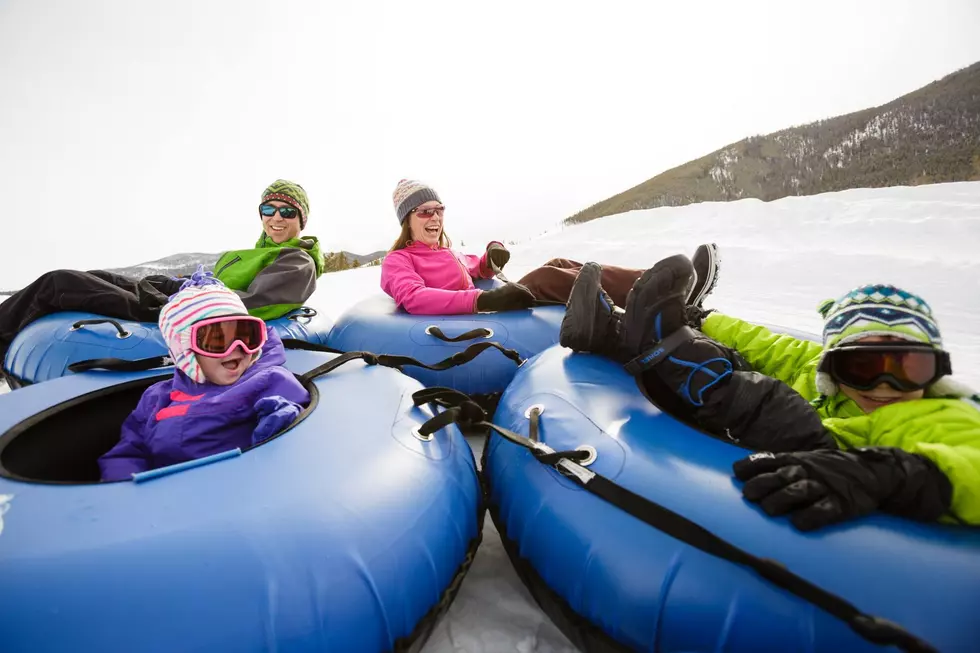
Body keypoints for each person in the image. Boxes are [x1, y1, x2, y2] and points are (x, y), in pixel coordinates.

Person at [559, 248, 980, 530]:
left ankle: (658, 343)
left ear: (937, 373)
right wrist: (701, 318)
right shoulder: (820, 374)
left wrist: (891, 474)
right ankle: (614, 332)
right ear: (832, 365)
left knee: (777, 405)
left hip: (827, 461)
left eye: (910, 368)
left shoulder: (941, 414)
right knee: (735, 358)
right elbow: (771, 345)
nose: (884, 386)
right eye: (862, 366)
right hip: (781, 434)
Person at [0, 179, 323, 363]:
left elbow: (251, 303)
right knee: (96, 275)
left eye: (287, 212)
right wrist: (175, 283)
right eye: (268, 209)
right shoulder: (258, 252)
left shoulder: (296, 261)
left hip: (188, 314)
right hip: (183, 298)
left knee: (60, 282)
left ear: (301, 219)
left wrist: (180, 296)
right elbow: (218, 283)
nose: (276, 218)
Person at [98, 271, 310, 481]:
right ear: (185, 349)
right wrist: (125, 486)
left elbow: (295, 409)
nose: (236, 348)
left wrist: (280, 421)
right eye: (217, 340)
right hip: (164, 499)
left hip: (236, 488)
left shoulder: (266, 379)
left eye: (246, 336)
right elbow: (128, 450)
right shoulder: (156, 397)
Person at [380, 179, 536, 315]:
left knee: (557, 265)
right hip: (456, 328)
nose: (435, 217)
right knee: (550, 275)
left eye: (439, 210)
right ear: (407, 220)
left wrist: (492, 253)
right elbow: (413, 297)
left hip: (477, 317)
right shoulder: (398, 259)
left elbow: (479, 269)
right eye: (425, 211)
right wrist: (483, 300)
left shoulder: (450, 253)